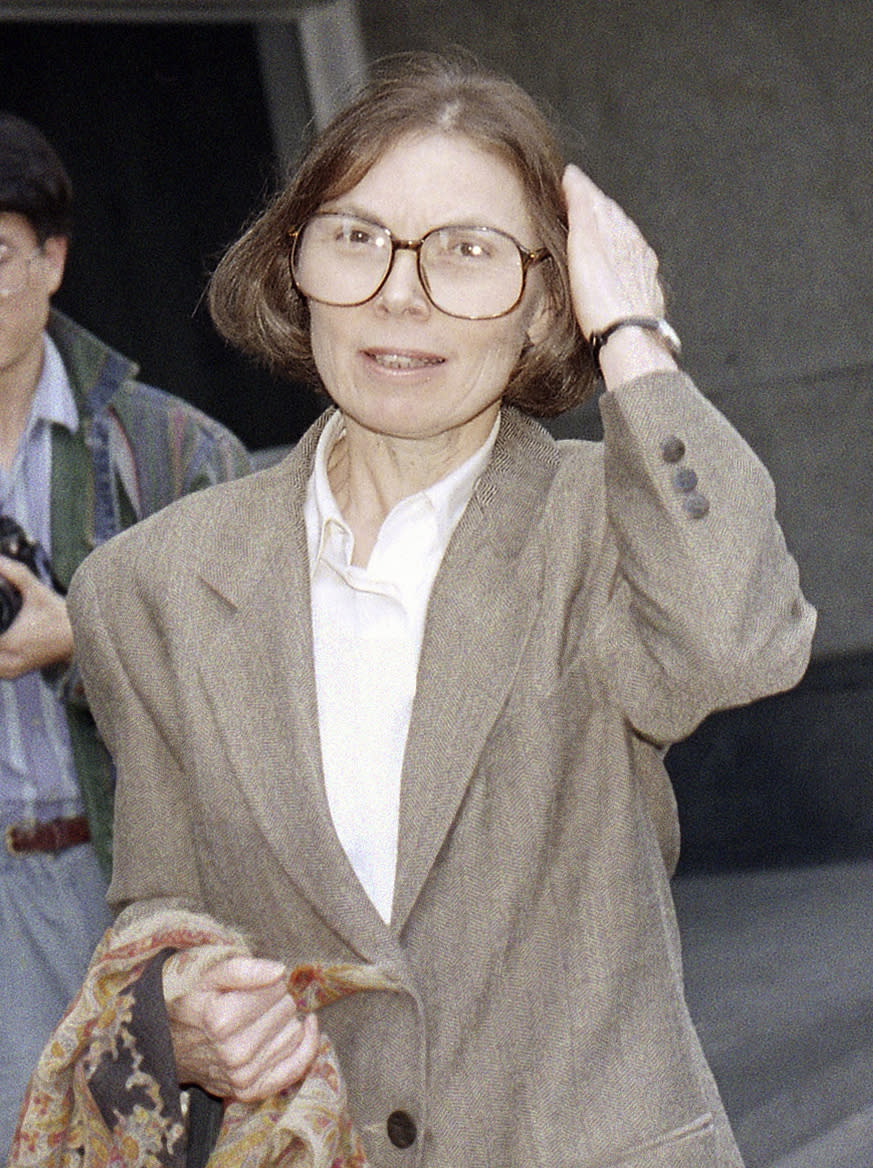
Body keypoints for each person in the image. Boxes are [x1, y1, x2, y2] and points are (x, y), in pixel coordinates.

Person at [51, 52, 814, 1167]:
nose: (400, 293)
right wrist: (183, 1008)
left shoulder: (605, 531)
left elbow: (740, 645)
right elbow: (159, 902)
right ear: (296, 264)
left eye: (469, 253)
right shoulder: (148, 586)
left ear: (546, 299)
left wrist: (635, 339)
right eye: (357, 237)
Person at [0, 112, 250, 1153]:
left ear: (52, 258)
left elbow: (264, 686)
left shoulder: (169, 446)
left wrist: (82, 643)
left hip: (121, 878)